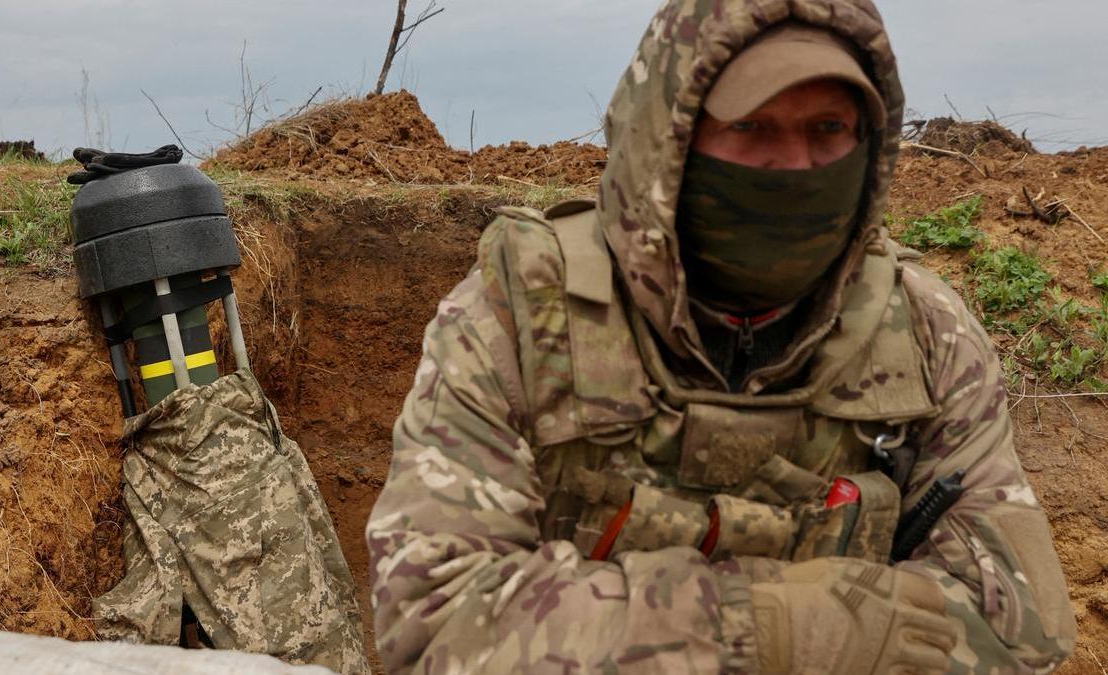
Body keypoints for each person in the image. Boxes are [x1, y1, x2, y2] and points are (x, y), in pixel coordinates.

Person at [366, 0, 1077, 672]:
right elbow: (434, 622)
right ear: (670, 141)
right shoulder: (522, 315)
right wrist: (763, 627)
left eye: (828, 129)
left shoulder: (925, 333)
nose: (795, 166)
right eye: (753, 127)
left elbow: (1019, 625)